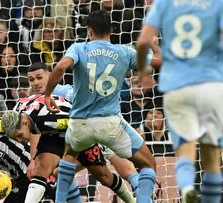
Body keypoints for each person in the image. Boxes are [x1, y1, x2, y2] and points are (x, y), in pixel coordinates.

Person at [44, 10, 161, 203]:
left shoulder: (79, 48)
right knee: (148, 163)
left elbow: (60, 67)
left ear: (89, 31)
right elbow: (157, 63)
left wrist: (48, 94)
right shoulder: (124, 52)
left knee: (69, 155)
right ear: (112, 30)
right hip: (109, 124)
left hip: (80, 125)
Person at [136, 0, 223, 202]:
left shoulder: (164, 4)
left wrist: (142, 71)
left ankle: (188, 187)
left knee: (185, 148)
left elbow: (143, 41)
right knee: (212, 158)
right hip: (210, 85)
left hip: (177, 86)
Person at [28, 62, 142, 196]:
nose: (35, 82)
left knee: (122, 169)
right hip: (74, 143)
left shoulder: (63, 92)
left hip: (97, 129)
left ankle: (142, 192)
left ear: (50, 76)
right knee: (62, 173)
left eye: (39, 77)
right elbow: (33, 131)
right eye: (31, 80)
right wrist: (33, 159)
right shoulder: (31, 102)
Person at [2, 96, 135, 203]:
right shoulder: (16, 112)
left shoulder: (49, 120)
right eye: (16, 138)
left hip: (80, 129)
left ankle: (132, 200)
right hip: (53, 134)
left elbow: (80, 124)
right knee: (41, 168)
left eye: (19, 136)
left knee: (104, 177)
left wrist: (69, 156)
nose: (20, 140)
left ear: (25, 123)